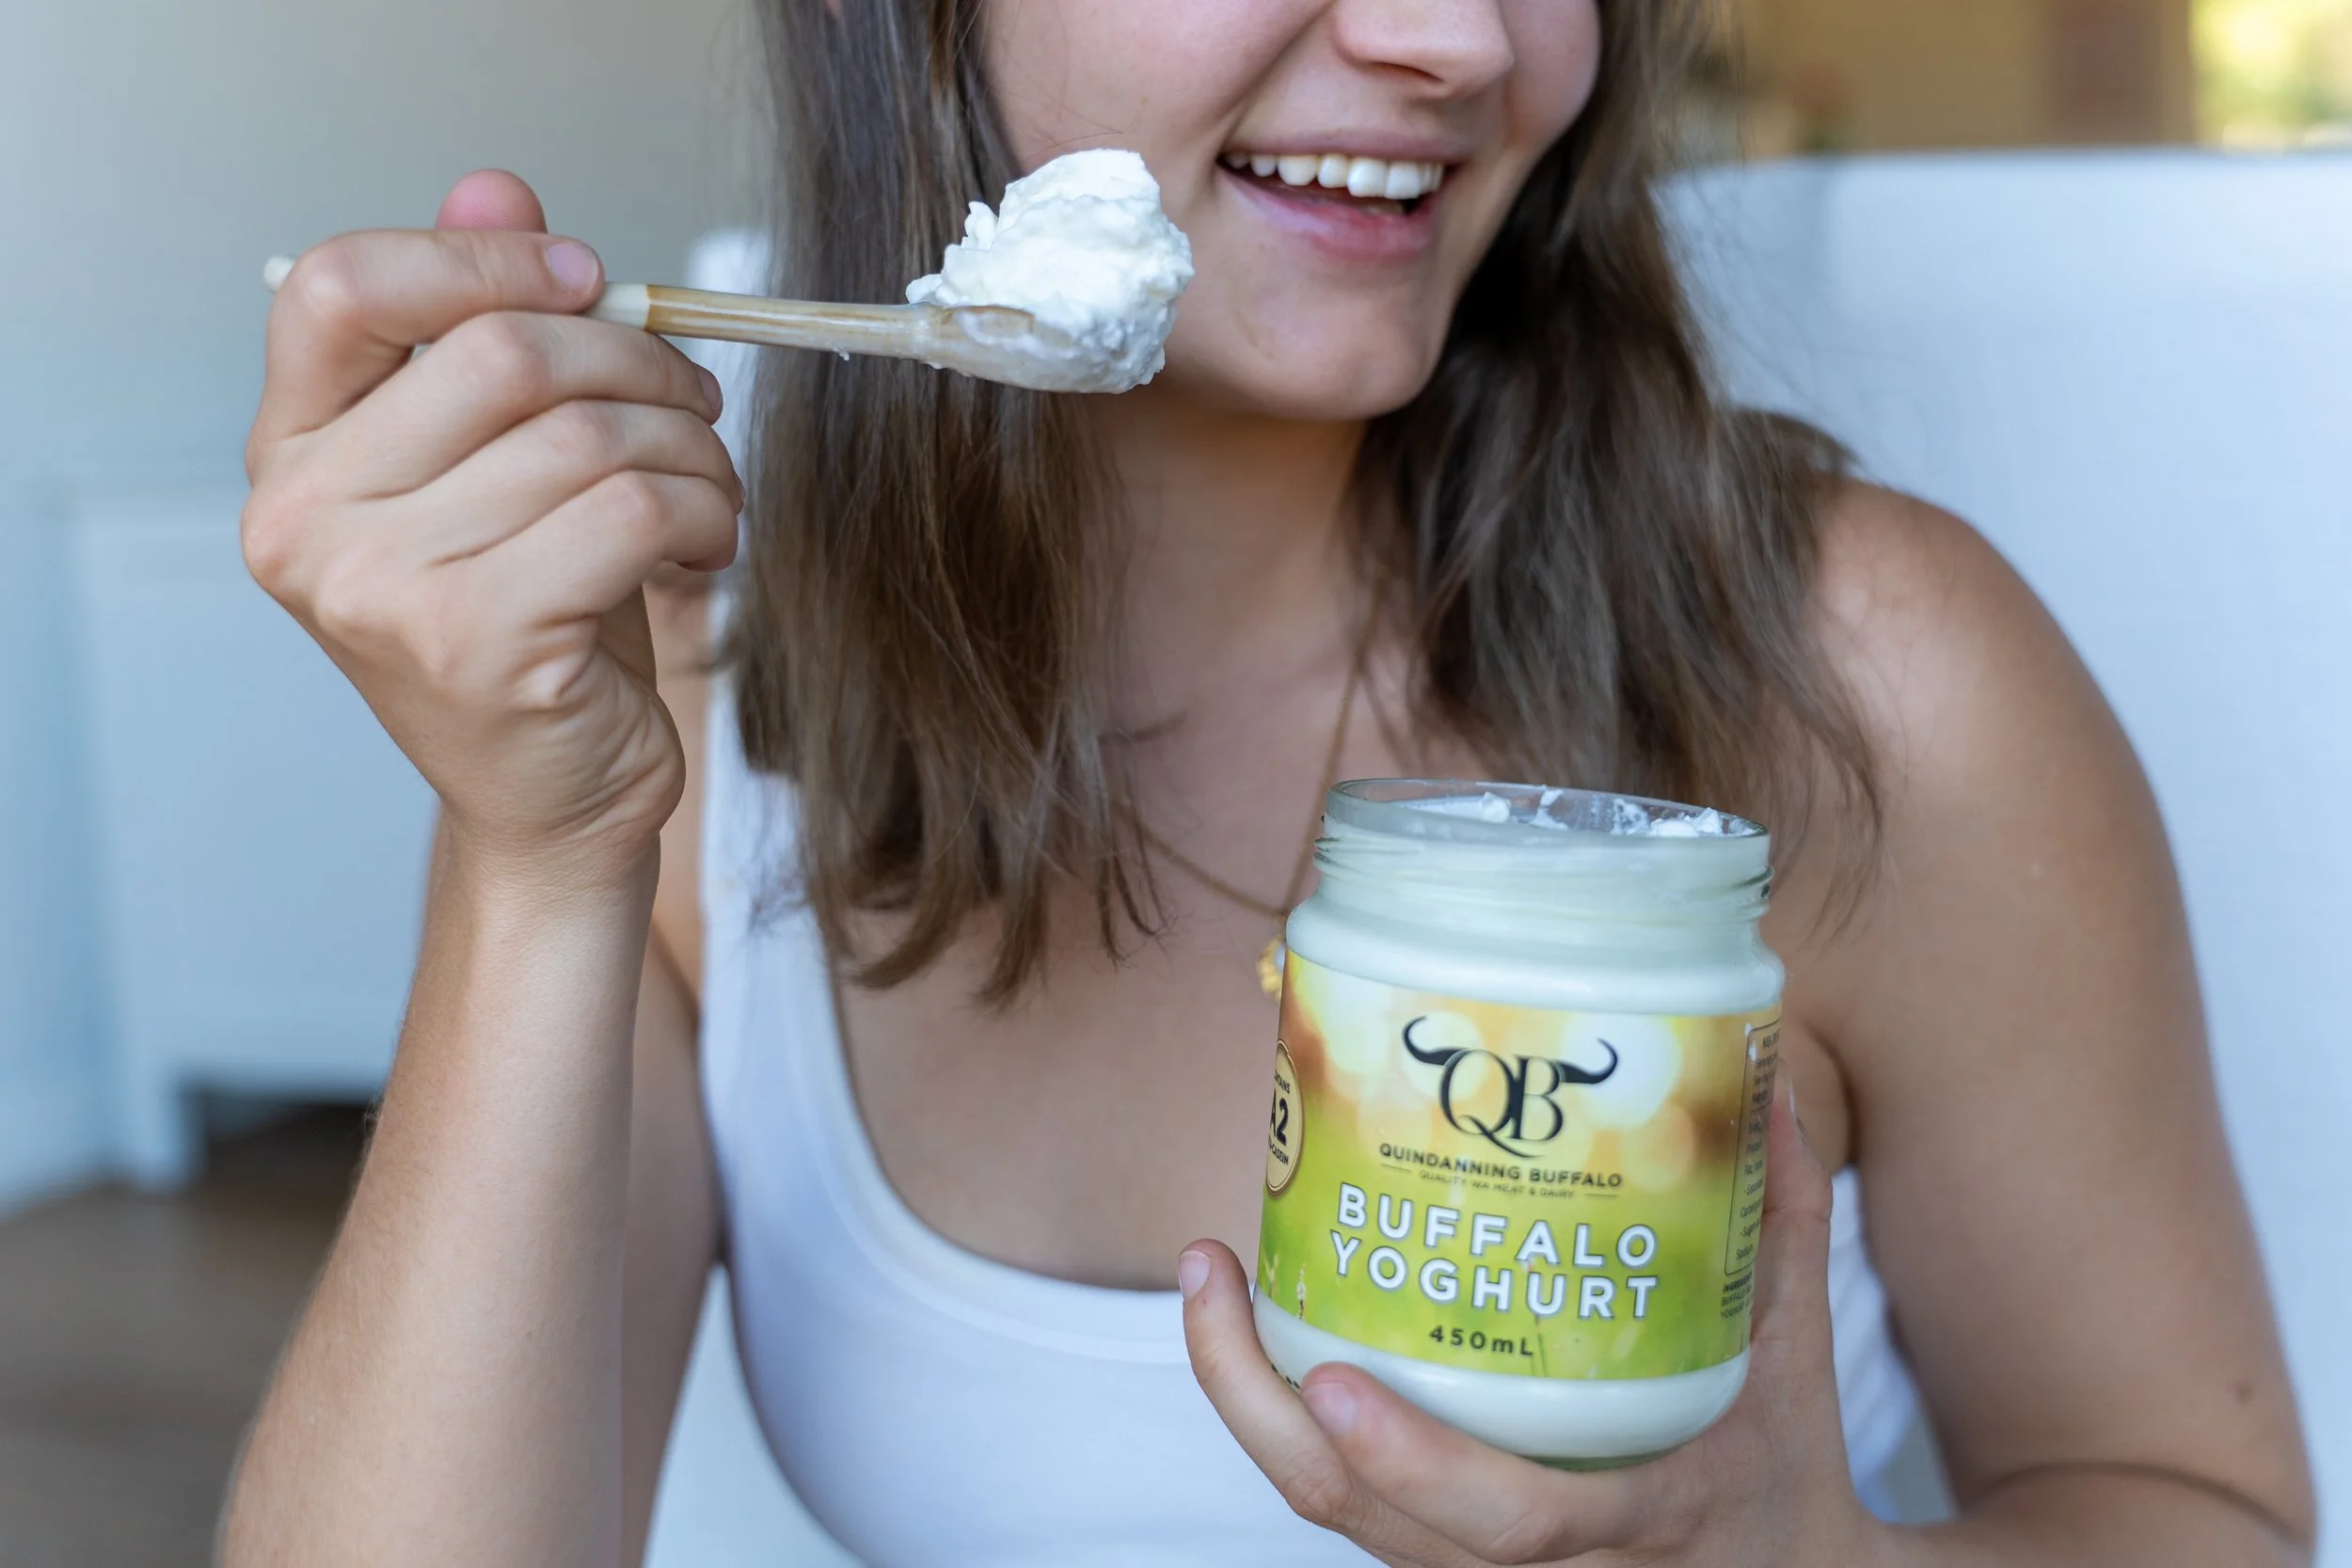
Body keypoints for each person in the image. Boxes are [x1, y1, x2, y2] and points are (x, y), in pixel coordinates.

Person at [221, 2, 2315, 1564]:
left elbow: (2197, 1504)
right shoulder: (681, 651)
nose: (1456, 38)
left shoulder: (1861, 678)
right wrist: (534, 859)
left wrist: (1790, 1556)